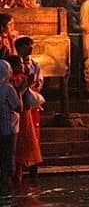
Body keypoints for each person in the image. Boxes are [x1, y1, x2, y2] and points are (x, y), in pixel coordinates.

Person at [7, 56, 42, 185]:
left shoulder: (23, 77)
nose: (22, 66)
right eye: (19, 64)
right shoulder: (11, 82)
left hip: (26, 115)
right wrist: (23, 88)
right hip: (17, 117)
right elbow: (17, 103)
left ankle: (28, 177)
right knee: (19, 147)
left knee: (28, 144)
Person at [0, 60, 19, 189]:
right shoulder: (8, 88)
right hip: (8, 129)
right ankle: (7, 184)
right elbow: (18, 106)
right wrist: (22, 92)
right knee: (8, 155)